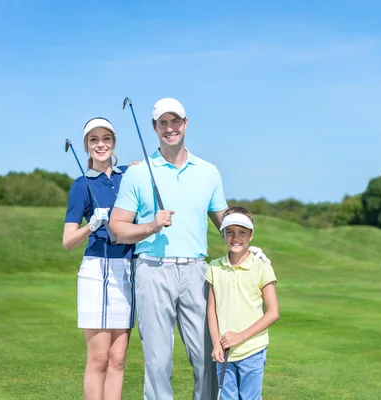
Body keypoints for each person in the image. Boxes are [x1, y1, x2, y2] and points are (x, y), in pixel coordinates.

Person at [109, 97, 270, 400]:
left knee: (208, 356)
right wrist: (150, 227)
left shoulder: (208, 172)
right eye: (163, 123)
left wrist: (250, 246)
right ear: (155, 128)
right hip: (152, 269)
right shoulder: (139, 172)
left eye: (175, 121)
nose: (170, 128)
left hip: (197, 272)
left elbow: (224, 222)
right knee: (158, 361)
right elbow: (117, 228)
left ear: (185, 123)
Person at [62, 117, 136, 400]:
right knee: (99, 358)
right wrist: (91, 225)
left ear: (114, 142)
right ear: (86, 146)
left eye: (106, 138)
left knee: (118, 359)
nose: (101, 144)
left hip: (127, 269)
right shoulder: (80, 185)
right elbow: (68, 241)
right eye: (94, 140)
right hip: (97, 270)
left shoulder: (128, 176)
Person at [206, 206, 279, 400]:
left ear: (251, 235)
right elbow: (211, 310)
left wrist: (241, 336)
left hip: (252, 348)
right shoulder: (214, 267)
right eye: (229, 232)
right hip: (224, 350)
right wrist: (215, 344)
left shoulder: (262, 266)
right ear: (222, 234)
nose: (235, 237)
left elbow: (273, 312)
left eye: (242, 232)